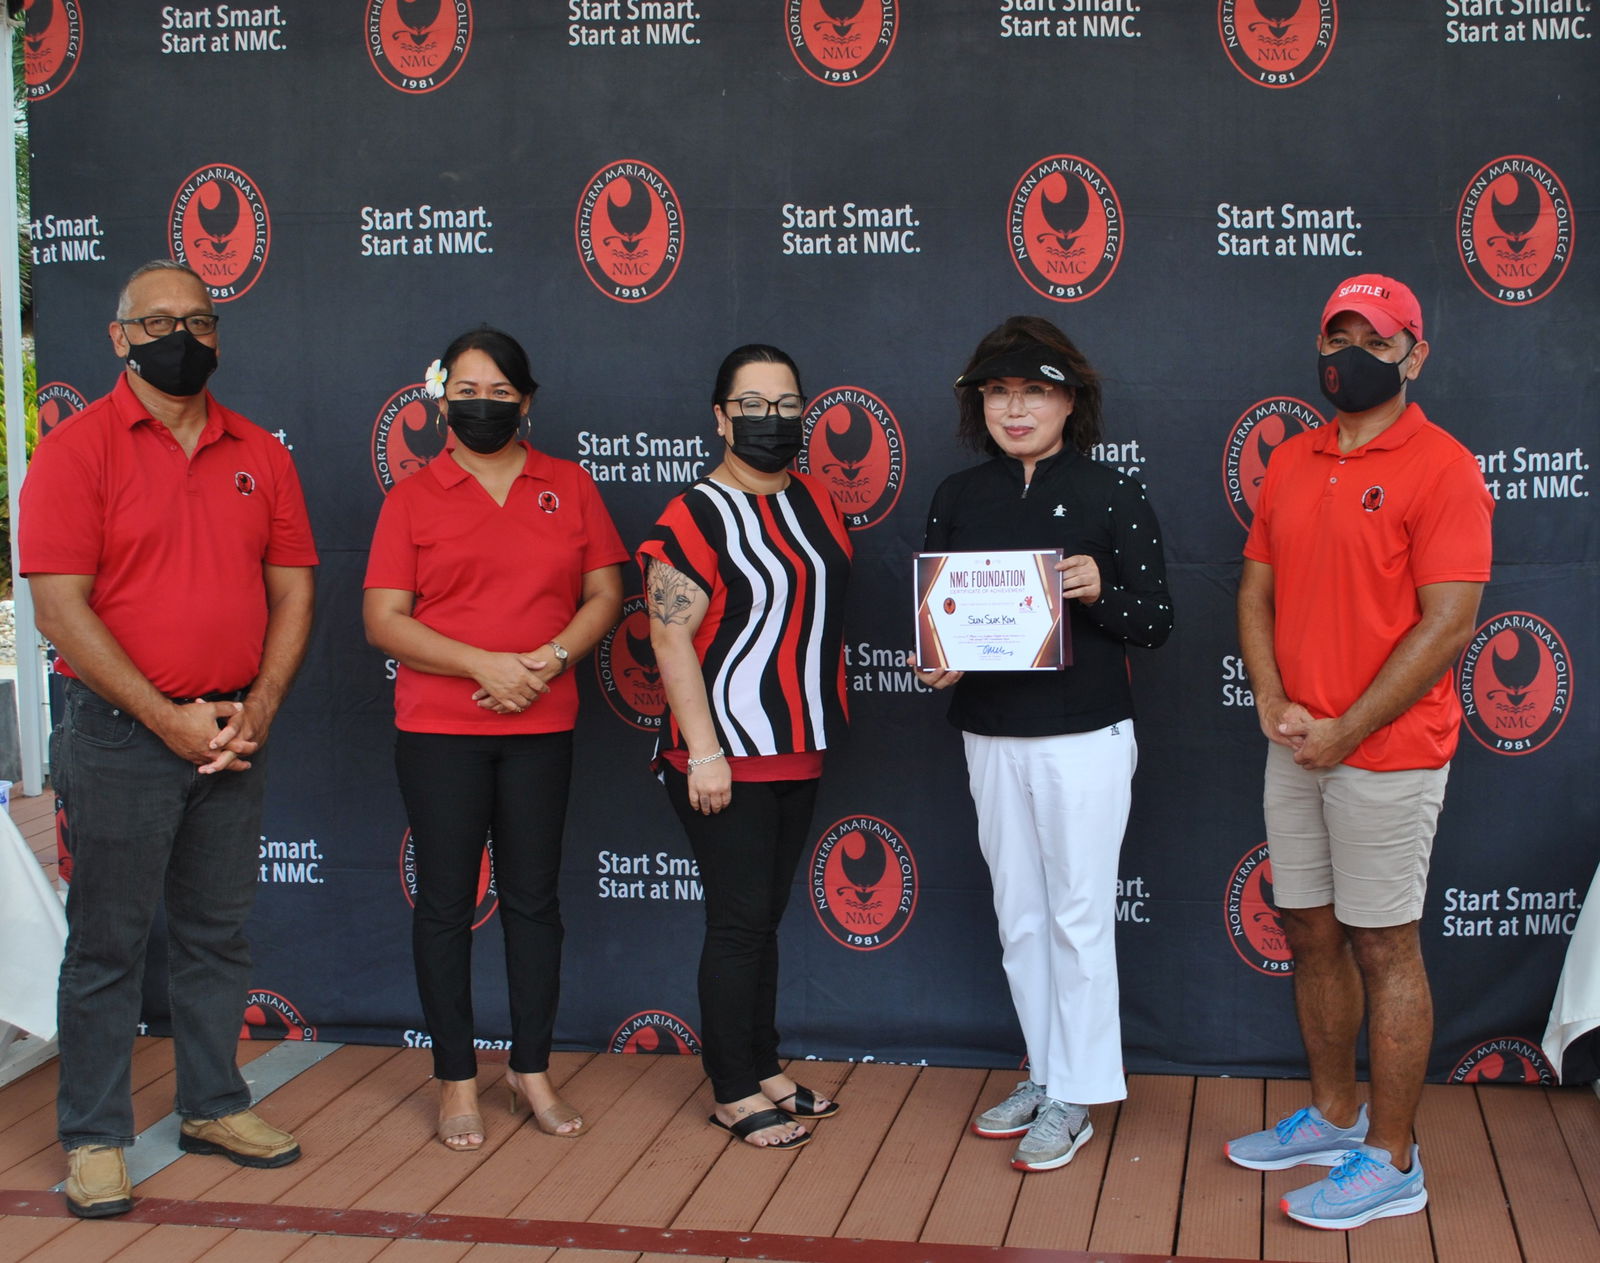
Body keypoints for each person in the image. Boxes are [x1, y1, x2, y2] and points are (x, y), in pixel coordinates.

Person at [19, 260, 318, 1217]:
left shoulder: (258, 452)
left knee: (215, 934)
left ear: (218, 333)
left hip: (233, 731)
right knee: (107, 943)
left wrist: (260, 704)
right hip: (121, 737)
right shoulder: (76, 450)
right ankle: (96, 1135)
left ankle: (212, 1102)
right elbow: (59, 610)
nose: (176, 336)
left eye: (195, 319)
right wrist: (167, 716)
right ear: (119, 338)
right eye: (154, 322)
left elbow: (294, 585)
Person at [1228, 275, 1493, 1229]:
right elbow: (1255, 587)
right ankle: (1336, 1114)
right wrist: (1271, 696)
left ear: (1413, 355)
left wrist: (1348, 725)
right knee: (1309, 930)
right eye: (1336, 336)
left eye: (1372, 342)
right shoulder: (1293, 459)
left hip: (1388, 751)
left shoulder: (1444, 466)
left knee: (1385, 945)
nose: (1348, 356)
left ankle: (1393, 1157)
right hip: (1296, 741)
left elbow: (1449, 624)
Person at [913, 315, 1171, 1172]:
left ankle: (1080, 1091)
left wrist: (1100, 590)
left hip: (1085, 735)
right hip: (990, 735)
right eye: (998, 391)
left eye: (1034, 390)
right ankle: (1045, 1067)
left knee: (1077, 915)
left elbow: (1157, 619)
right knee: (1020, 915)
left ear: (1071, 401)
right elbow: (941, 626)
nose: (1015, 407)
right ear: (979, 403)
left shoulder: (1112, 492)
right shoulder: (958, 495)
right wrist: (937, 664)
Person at [364, 328, 626, 1151]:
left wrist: (543, 663)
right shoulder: (412, 496)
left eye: (500, 391)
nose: (484, 405)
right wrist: (487, 664)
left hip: (542, 726)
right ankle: (454, 1078)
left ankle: (531, 1066)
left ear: (528, 401)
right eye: (466, 391)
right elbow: (383, 620)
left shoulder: (570, 485)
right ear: (443, 401)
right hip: (439, 731)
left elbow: (605, 593)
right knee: (445, 904)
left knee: (534, 901)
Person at [639, 345, 852, 1151]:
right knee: (735, 923)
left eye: (787, 402)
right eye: (753, 404)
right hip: (722, 754)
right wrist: (704, 751)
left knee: (762, 918)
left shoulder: (818, 502)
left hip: (800, 746)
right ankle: (731, 1087)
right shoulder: (693, 513)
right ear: (721, 417)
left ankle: (763, 1065)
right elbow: (669, 636)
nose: (773, 419)